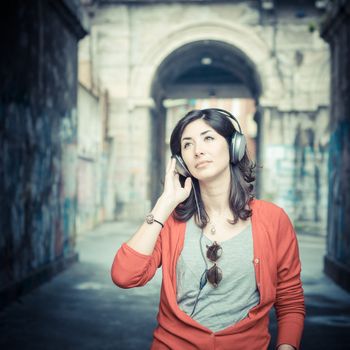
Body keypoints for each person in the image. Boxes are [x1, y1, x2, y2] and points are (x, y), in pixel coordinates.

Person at [111, 108, 305, 350]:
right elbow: (125, 276)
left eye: (208, 138)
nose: (198, 150)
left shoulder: (273, 219)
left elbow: (290, 299)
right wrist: (164, 204)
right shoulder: (171, 221)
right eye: (187, 144)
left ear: (234, 146)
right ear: (180, 162)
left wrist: (287, 347)